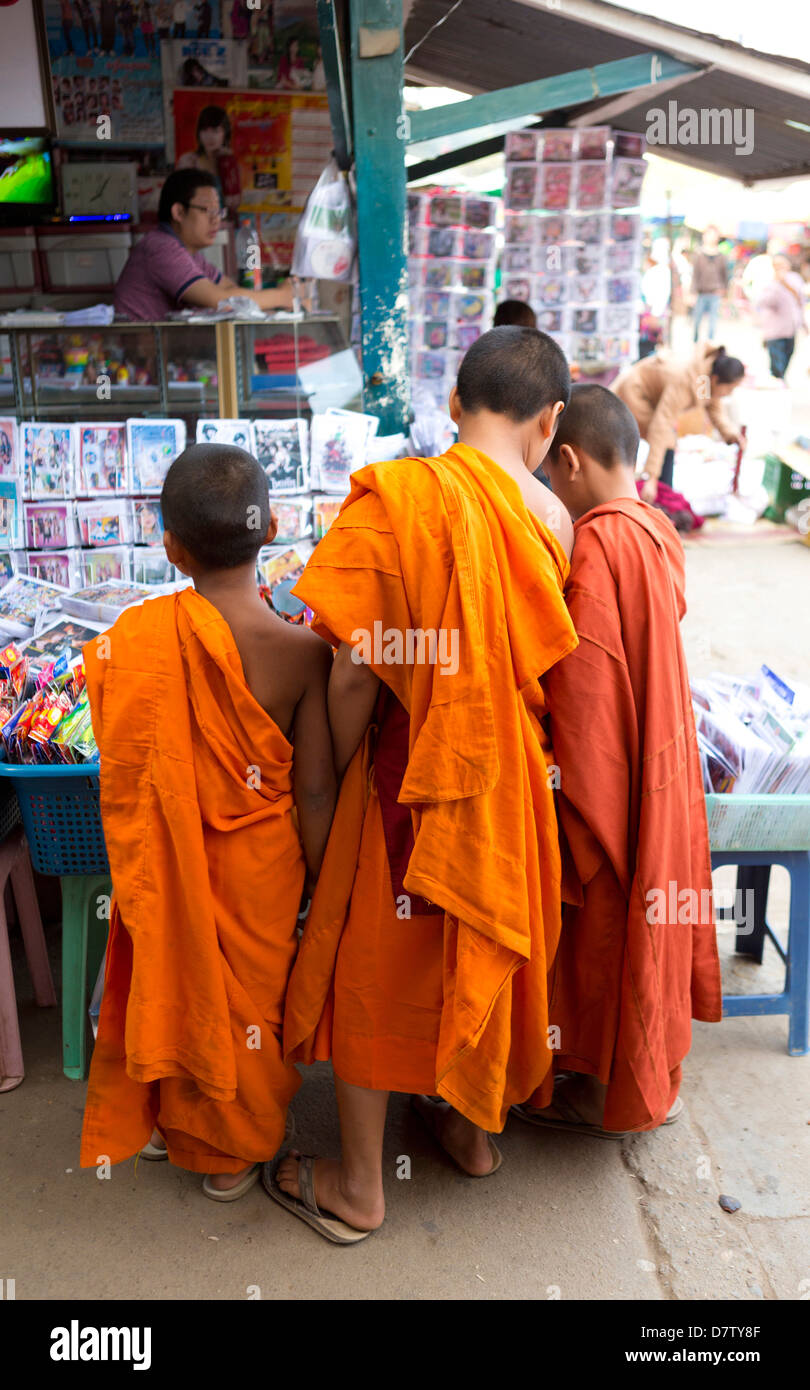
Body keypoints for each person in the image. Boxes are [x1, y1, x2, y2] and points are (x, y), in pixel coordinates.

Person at [268, 327, 578, 1242]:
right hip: (508, 772)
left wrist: (336, 773)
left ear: (451, 403)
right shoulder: (552, 516)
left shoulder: (400, 499)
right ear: (549, 421)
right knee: (478, 932)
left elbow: (359, 672)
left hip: (411, 765)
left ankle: (360, 1185)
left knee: (375, 960)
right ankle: (468, 1129)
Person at [79, 444, 336, 1198]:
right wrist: (320, 880)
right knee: (246, 1003)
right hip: (261, 871)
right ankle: (234, 1148)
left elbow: (129, 771)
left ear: (170, 546)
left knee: (173, 974)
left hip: (169, 857)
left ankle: (174, 1119)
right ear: (274, 528)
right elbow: (315, 792)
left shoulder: (133, 640)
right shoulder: (301, 652)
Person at [515, 385, 722, 1137]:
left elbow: (586, 698)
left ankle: (601, 1092)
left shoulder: (599, 543)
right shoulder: (656, 529)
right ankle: (631, 1077)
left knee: (604, 925)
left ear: (566, 462)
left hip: (613, 774)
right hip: (659, 762)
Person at [113, 169, 300, 321]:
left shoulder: (190, 255)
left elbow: (229, 291)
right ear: (178, 212)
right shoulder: (160, 247)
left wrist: (279, 298)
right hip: (137, 358)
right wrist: (283, 296)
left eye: (218, 212)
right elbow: (219, 300)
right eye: (208, 210)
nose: (216, 220)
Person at [613, 343, 744, 502]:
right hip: (634, 390)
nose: (729, 394)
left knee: (667, 441)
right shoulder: (686, 379)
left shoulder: (706, 375)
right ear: (716, 380)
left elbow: (713, 406)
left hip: (649, 395)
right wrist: (651, 478)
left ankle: (660, 495)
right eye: (730, 389)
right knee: (665, 439)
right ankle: (655, 494)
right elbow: (661, 426)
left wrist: (731, 435)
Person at [176, 106, 241, 218]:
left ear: (225, 134)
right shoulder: (189, 160)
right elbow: (180, 197)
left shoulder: (229, 162)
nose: (210, 137)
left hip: (221, 223)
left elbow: (234, 204)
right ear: (199, 134)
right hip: (196, 223)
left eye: (216, 131)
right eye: (205, 130)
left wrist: (228, 169)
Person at [755, 253, 805, 380]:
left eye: (783, 264)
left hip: (791, 328)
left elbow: (800, 301)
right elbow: (763, 302)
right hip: (774, 330)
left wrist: (803, 323)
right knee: (777, 362)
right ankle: (778, 381)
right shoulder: (768, 281)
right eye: (777, 265)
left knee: (788, 355)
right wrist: (777, 284)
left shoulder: (795, 278)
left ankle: (779, 380)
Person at [691, 225, 728, 341]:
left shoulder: (721, 256)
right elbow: (695, 274)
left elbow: (725, 274)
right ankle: (696, 344)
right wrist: (693, 292)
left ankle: (709, 345)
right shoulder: (699, 254)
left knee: (713, 321)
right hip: (701, 292)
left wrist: (724, 291)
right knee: (697, 321)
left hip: (715, 292)